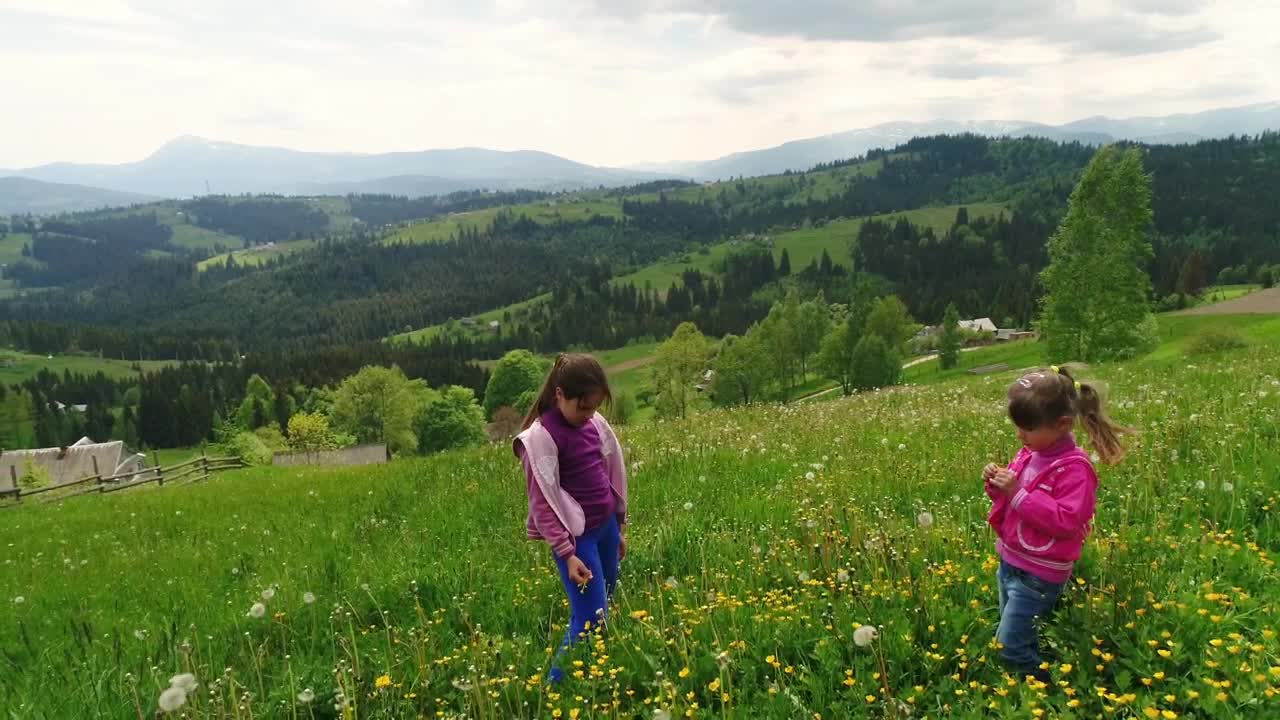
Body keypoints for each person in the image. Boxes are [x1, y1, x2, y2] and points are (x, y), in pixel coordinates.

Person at [983, 364, 1131, 683]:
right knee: (1016, 636)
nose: (1020, 434)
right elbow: (1013, 499)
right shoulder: (1030, 452)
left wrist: (1016, 491)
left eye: (1027, 427)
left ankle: (1047, 689)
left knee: (1008, 647)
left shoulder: (1076, 469)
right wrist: (997, 483)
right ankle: (1035, 676)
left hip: (1038, 576)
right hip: (1010, 563)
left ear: (1062, 424)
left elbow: (1066, 521)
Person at [514, 353, 628, 684]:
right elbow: (542, 503)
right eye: (582, 407)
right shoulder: (541, 439)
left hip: (605, 528)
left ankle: (593, 667)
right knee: (591, 617)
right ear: (559, 395)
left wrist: (619, 529)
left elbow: (610, 474)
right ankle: (555, 686)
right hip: (577, 541)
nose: (589, 415)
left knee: (602, 603)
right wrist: (566, 553)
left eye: (594, 407)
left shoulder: (594, 425)